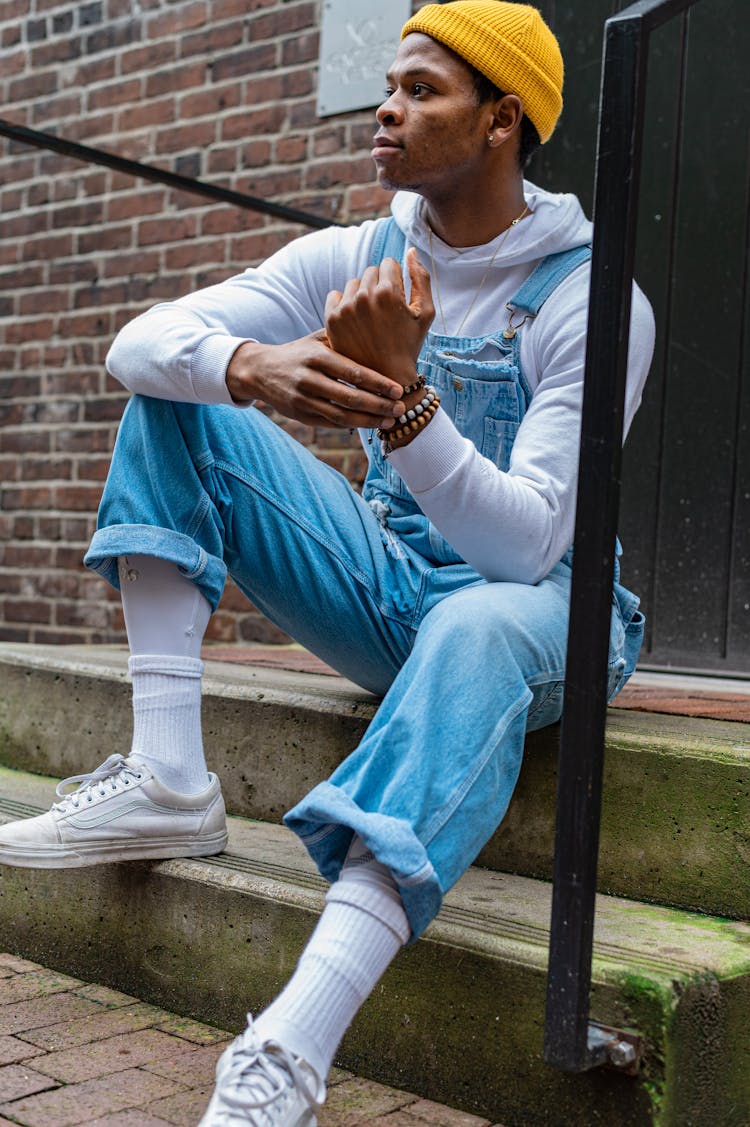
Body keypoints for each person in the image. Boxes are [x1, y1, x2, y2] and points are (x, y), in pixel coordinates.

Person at [0, 2, 655, 1123]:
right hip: (390, 586)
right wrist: (248, 364)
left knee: (477, 623)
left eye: (421, 91)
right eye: (388, 82)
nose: (386, 109)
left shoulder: (593, 297)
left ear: (502, 121)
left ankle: (284, 1057)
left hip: (548, 610)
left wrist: (407, 405)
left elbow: (528, 543)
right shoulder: (362, 253)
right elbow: (136, 343)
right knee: (178, 397)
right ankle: (168, 775)